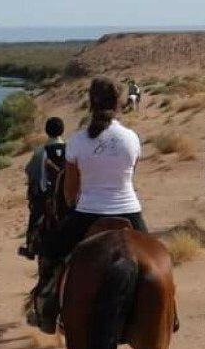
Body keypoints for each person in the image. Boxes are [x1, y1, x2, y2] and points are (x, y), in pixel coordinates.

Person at [29, 78, 146, 333]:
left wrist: (76, 203)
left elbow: (70, 193)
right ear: (118, 104)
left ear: (91, 103)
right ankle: (171, 314)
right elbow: (130, 177)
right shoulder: (132, 138)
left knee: (50, 251)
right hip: (130, 211)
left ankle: (47, 309)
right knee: (157, 260)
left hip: (87, 214)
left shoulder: (78, 141)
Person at [19, 117, 66, 259]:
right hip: (67, 196)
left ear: (47, 131)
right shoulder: (71, 149)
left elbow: (30, 171)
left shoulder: (40, 152)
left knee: (35, 216)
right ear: (62, 131)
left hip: (46, 196)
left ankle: (30, 247)